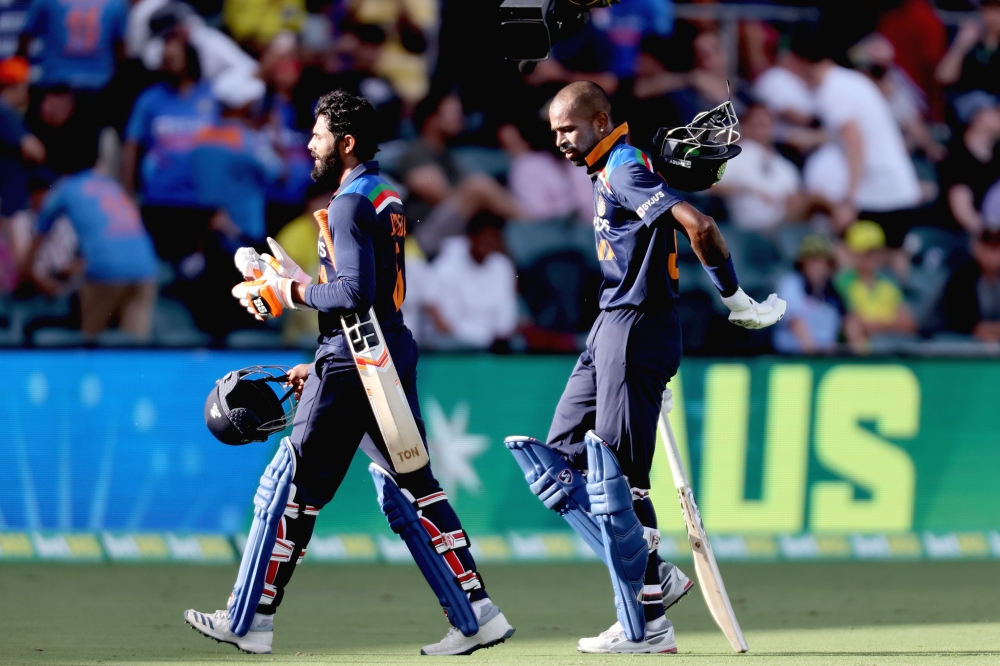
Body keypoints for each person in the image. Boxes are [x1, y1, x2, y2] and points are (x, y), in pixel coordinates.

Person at [184, 91, 515, 656]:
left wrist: (285, 291)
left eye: (317, 135)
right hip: (382, 352)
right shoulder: (383, 193)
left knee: (285, 486)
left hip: (356, 359)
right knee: (412, 491)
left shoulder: (348, 203)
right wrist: (310, 339)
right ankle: (476, 613)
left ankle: (248, 621)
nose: (309, 144)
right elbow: (364, 292)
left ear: (346, 141)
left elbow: (353, 293)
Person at [506, 81, 785, 654]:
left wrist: (736, 301)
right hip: (612, 328)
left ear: (602, 118)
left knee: (620, 482)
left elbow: (700, 226)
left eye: (569, 129)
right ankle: (654, 573)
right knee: (557, 462)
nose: (559, 140)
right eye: (554, 130)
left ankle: (646, 624)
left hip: (636, 328)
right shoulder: (611, 166)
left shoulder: (624, 167)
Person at [791, 31, 922, 250]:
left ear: (802, 62)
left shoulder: (832, 90)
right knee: (892, 260)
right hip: (898, 186)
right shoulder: (851, 80)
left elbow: (855, 143)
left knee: (852, 258)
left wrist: (849, 201)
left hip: (879, 191)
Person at [25, 155, 159, 339]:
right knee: (134, 350)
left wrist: (27, 271)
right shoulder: (112, 185)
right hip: (146, 268)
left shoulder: (66, 187)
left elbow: (40, 228)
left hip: (106, 270)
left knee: (91, 348)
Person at [122, 30, 218, 264]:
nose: (169, 63)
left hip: (201, 201)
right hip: (159, 200)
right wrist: (128, 194)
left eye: (174, 57)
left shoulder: (212, 97)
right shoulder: (149, 99)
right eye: (165, 58)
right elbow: (132, 146)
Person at [395, 91, 522, 256]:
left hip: (454, 229)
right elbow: (441, 196)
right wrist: (477, 199)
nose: (460, 118)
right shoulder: (417, 151)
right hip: (423, 236)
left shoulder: (448, 156)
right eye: (453, 112)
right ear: (431, 119)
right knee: (478, 186)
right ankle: (531, 224)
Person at [422, 213, 518, 350]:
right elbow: (446, 326)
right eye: (485, 237)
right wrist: (483, 339)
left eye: (494, 238)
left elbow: (506, 318)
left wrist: (498, 338)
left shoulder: (503, 266)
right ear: (471, 237)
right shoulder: (445, 266)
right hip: (455, 344)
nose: (489, 243)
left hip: (492, 345)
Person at [836, 220, 917, 353]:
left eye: (877, 250)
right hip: (860, 353)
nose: (874, 256)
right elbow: (852, 323)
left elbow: (909, 323)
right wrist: (890, 321)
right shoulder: (842, 283)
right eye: (868, 252)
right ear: (855, 253)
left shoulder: (889, 283)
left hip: (892, 348)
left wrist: (873, 325)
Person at [939, 91, 1000, 236]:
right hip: (972, 239)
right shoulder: (957, 159)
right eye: (995, 111)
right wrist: (993, 235)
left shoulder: (996, 152)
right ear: (977, 116)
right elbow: (964, 214)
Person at [773, 235, 845, 354]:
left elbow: (847, 322)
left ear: (830, 265)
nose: (816, 267)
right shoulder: (790, 283)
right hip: (793, 358)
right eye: (811, 261)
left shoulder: (834, 292)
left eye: (821, 262)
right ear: (802, 264)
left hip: (826, 358)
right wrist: (816, 358)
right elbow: (796, 322)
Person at [941, 220, 1000, 343]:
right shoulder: (961, 276)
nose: (993, 253)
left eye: (997, 246)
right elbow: (963, 324)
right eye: (988, 245)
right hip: (963, 344)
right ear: (975, 246)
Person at [935, 0, 1000, 97]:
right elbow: (944, 77)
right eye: (991, 10)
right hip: (966, 100)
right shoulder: (969, 37)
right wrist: (961, 44)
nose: (995, 17)